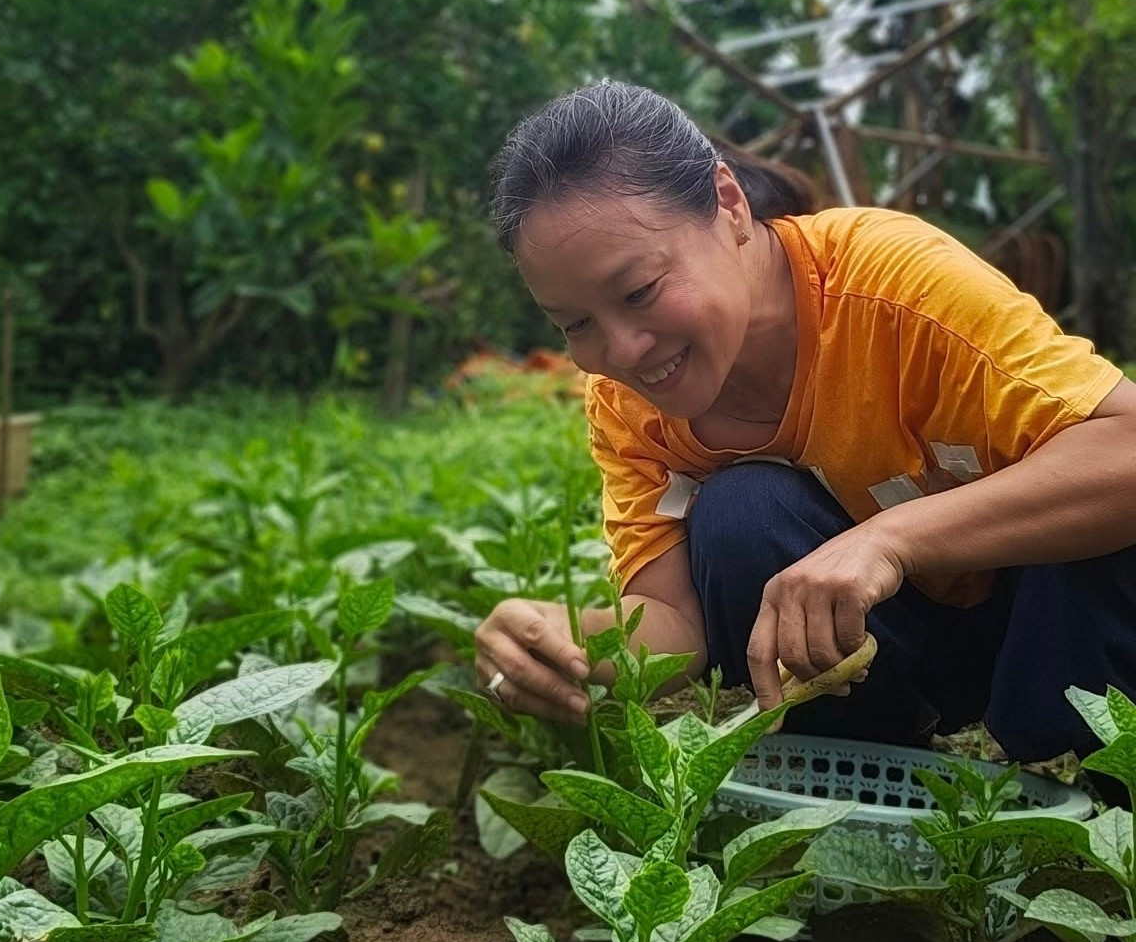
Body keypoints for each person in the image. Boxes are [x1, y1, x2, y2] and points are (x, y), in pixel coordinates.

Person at [474, 80, 1136, 762]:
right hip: (900, 641)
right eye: (576, 324)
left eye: (639, 291)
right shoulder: (629, 406)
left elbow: (1128, 450)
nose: (621, 350)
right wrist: (559, 642)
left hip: (1042, 616)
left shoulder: (891, 285)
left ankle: (1086, 768)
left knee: (1084, 489)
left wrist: (889, 541)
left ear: (728, 205)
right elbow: (675, 628)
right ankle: (863, 771)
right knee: (741, 513)